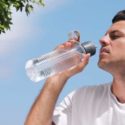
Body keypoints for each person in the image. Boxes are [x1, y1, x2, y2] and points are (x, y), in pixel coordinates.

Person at [25, 10, 125, 125]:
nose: (102, 40)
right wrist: (57, 77)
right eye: (105, 35)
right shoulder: (81, 99)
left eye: (115, 36)